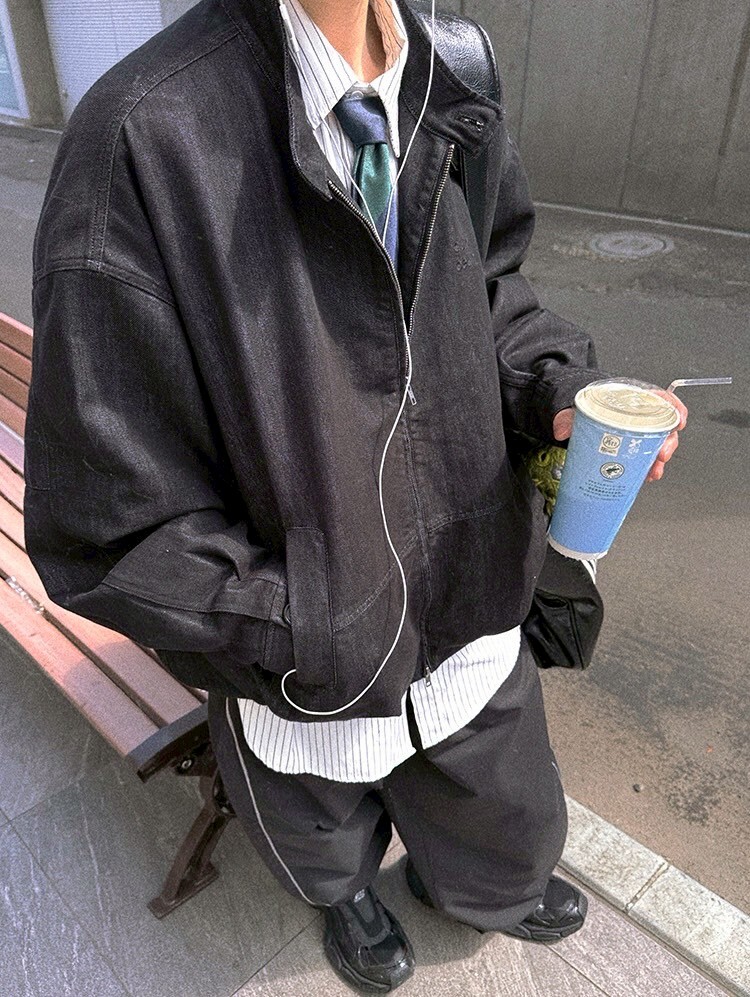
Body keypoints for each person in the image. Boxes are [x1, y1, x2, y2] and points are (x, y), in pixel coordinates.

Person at [24, 0, 687, 991]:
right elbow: (106, 520)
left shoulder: (451, 70)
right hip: (296, 672)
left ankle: (489, 886)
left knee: (506, 825)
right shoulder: (142, 138)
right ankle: (347, 899)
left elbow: (491, 291)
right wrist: (309, 620)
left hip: (471, 616)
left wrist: (556, 389)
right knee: (320, 838)